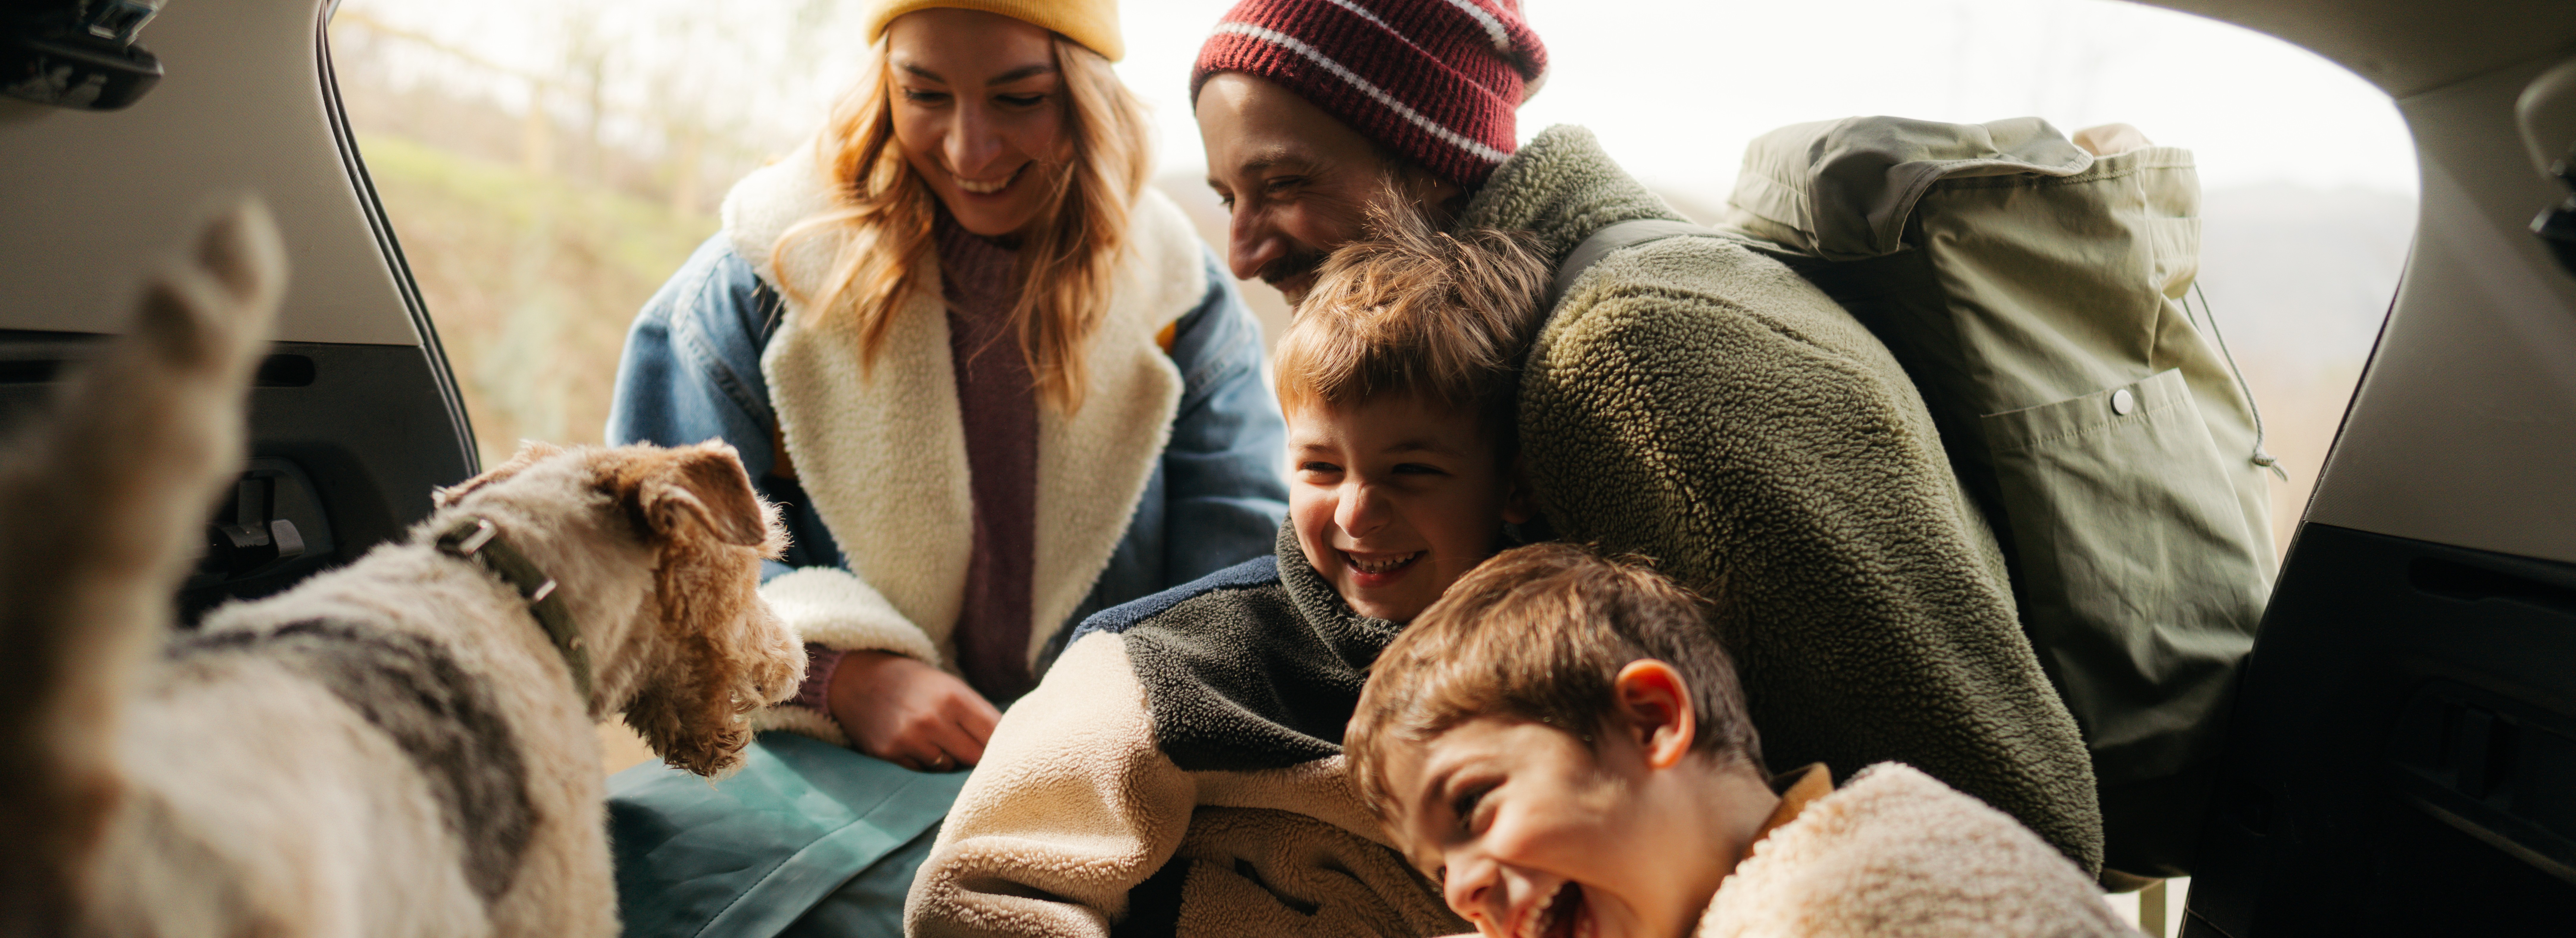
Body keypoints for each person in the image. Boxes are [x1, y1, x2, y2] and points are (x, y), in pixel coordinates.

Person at [1187, 0, 2106, 872]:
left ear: (1432, 155)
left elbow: (2008, 818)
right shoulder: (1529, 340)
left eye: (1284, 184)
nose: (1243, 252)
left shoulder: (1630, 348)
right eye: (1228, 197)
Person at [599, 1, 1286, 933]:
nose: (969, 148)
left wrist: (1078, 741)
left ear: (1087, 98)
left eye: (1020, 98)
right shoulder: (759, 279)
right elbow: (659, 567)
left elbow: (1233, 593)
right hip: (813, 753)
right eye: (924, 93)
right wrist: (838, 673)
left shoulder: (1181, 306)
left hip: (1097, 771)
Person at [905, 207, 1552, 937]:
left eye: (1412, 470)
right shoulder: (1164, 665)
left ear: (1515, 484)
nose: (1357, 512)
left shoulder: (1569, 660)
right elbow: (973, 893)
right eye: (1319, 467)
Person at [1346, 543, 2136, 938]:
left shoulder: (1859, 891)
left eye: (1473, 804)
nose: (1457, 893)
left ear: (1651, 722)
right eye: (1438, 868)